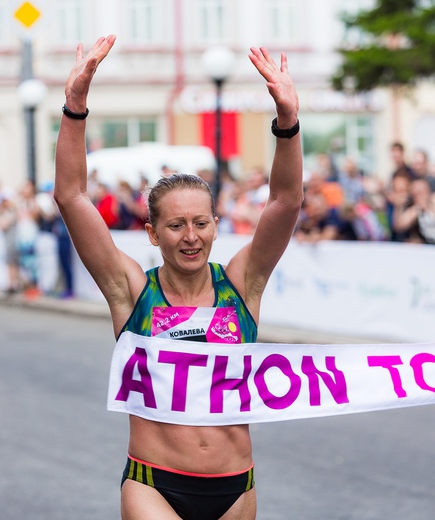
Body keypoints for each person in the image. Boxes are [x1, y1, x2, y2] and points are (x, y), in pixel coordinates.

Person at [53, 35, 302, 520]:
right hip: (154, 486)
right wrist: (75, 107)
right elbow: (71, 198)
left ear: (215, 225)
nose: (191, 237)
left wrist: (288, 123)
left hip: (237, 488)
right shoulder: (131, 291)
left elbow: (285, 203)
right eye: (175, 225)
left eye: (201, 223)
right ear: (152, 233)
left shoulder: (241, 284)